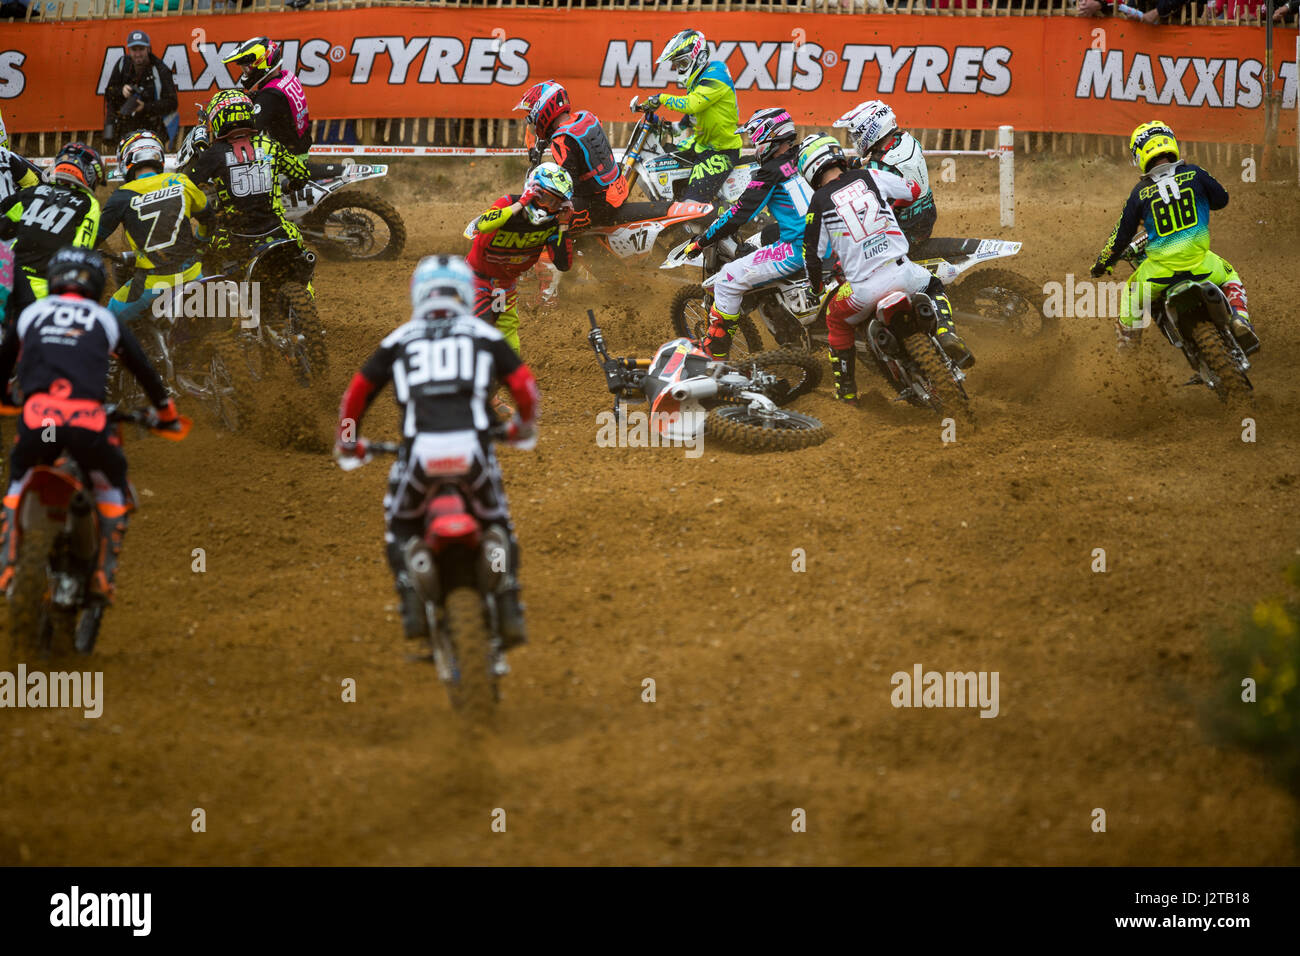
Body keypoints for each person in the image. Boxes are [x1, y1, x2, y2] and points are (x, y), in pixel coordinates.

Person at [334, 255, 539, 654]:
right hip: (473, 452)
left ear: (418, 294)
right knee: (499, 523)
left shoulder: (400, 339)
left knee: (400, 526)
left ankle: (411, 601)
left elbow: (357, 394)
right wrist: (521, 428)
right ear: (464, 292)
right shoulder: (484, 335)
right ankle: (509, 602)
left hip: (419, 456)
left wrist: (348, 441)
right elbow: (525, 388)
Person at [0, 247, 179, 605]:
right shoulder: (104, 318)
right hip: (88, 424)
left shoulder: (33, 313)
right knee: (113, 482)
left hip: (39, 422)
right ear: (96, 284)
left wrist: (7, 400)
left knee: (18, 477)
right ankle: (101, 573)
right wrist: (166, 414)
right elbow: (143, 368)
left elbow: (4, 363)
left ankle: (7, 563)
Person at [798, 134, 972, 405]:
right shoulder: (869, 176)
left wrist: (815, 288)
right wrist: (887, 207)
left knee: (834, 319)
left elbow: (812, 256)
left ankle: (847, 393)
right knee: (934, 284)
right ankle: (945, 332)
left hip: (864, 290)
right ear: (837, 155)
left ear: (809, 171)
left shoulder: (819, 202)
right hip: (904, 273)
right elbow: (913, 191)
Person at [1091, 121, 1257, 353]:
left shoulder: (1139, 193)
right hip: (1201, 264)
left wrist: (1102, 264)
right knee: (1230, 276)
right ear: (1171, 143)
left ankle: (1128, 350)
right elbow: (1222, 199)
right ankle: (1240, 318)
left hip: (1159, 275)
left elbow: (1120, 236)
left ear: (1140, 154)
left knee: (1131, 293)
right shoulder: (1195, 173)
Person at [680, 107, 811, 359]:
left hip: (798, 248)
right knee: (759, 240)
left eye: (755, 139)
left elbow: (740, 213)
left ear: (768, 137)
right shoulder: (805, 156)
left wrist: (703, 239)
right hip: (831, 235)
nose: (753, 144)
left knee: (728, 279)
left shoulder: (769, 172)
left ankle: (715, 352)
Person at [181, 89, 311, 269]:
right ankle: (306, 289)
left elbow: (186, 184)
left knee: (206, 262)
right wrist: (289, 186)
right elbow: (302, 175)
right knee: (302, 260)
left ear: (219, 119)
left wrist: (199, 156)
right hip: (277, 231)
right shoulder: (270, 145)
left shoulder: (214, 154)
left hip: (236, 238)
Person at [96, 131, 212, 324]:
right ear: (158, 156)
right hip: (194, 274)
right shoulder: (181, 181)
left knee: (108, 318)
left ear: (126, 160)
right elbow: (208, 219)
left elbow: (94, 237)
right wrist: (201, 242)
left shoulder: (121, 196)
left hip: (153, 282)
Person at [464, 162, 575, 354]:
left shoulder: (554, 224)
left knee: (509, 339)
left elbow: (564, 264)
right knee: (479, 327)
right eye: (546, 198)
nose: (549, 207)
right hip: (475, 278)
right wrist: (520, 204)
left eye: (556, 203)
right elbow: (484, 225)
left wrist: (564, 226)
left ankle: (505, 373)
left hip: (505, 284)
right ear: (533, 191)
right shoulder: (508, 203)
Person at [0, 142, 104, 324]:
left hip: (9, 278)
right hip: (47, 287)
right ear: (89, 174)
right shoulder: (89, 204)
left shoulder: (31, 193)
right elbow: (81, 250)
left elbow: (4, 225)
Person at [641, 29, 742, 205]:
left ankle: (705, 220)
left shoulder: (716, 73)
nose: (679, 69)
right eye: (676, 64)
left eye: (682, 63)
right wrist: (670, 127)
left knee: (691, 205)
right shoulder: (699, 79)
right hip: (700, 144)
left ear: (699, 57)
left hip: (721, 151)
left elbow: (693, 104)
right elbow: (693, 114)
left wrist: (661, 98)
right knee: (667, 157)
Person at [514, 80, 627, 230]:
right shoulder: (586, 117)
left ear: (542, 110)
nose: (533, 121)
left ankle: (567, 252)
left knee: (544, 219)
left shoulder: (561, 140)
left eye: (531, 115)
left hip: (600, 204)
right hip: (618, 188)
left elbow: (567, 186)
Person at [834, 100, 937, 248]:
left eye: (857, 135)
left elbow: (872, 205)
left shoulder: (879, 166)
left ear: (871, 130)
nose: (855, 140)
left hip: (906, 227)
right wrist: (856, 163)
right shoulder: (906, 140)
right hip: (926, 212)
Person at [223, 37, 313, 162]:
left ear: (262, 63)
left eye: (247, 69)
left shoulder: (269, 96)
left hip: (289, 159)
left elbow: (251, 131)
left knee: (236, 159)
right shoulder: (286, 75)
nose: (245, 73)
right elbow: (275, 102)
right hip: (300, 144)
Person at [103, 30, 179, 149]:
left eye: (141, 49)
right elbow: (108, 93)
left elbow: (172, 103)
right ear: (129, 50)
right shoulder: (122, 64)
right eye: (134, 49)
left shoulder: (160, 70)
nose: (138, 54)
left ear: (148, 49)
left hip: (152, 128)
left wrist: (145, 107)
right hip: (125, 126)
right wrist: (121, 91)